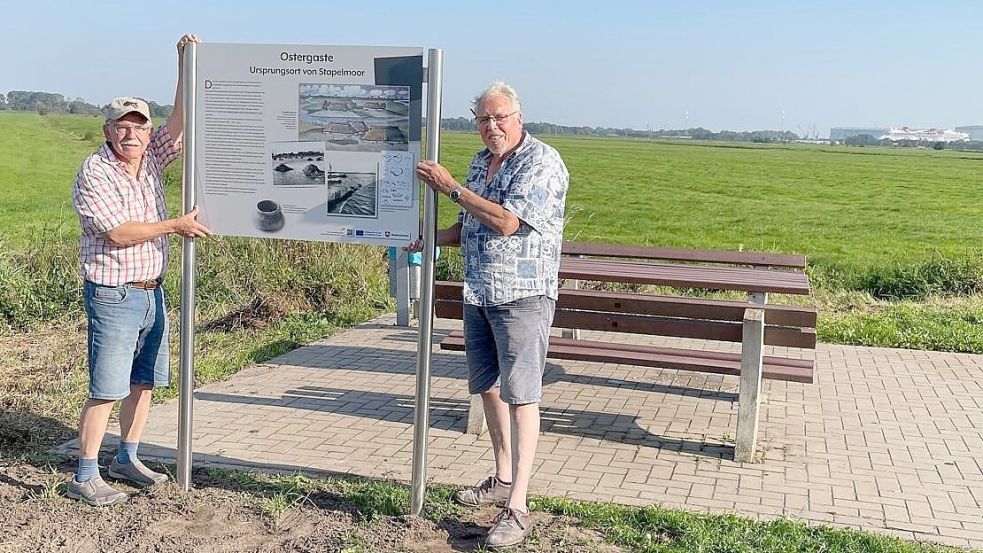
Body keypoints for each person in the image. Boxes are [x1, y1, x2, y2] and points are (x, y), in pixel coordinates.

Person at [413, 81, 569, 547]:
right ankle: (501, 476)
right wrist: (428, 238)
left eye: (500, 117)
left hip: (522, 294)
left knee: (522, 395)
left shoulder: (541, 161)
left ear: (519, 116)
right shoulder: (481, 162)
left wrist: (451, 188)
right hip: (479, 291)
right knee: (488, 386)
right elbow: (469, 228)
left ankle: (518, 505)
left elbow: (506, 221)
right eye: (483, 118)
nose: (491, 126)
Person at [68, 34, 211, 506]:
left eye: (139, 127)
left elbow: (182, 120)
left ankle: (126, 457)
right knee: (107, 387)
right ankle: (85, 475)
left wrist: (184, 63)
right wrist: (175, 225)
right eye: (122, 127)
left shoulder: (150, 160)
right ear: (108, 130)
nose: (132, 135)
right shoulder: (96, 171)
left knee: (143, 381)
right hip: (113, 292)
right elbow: (116, 233)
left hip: (152, 291)